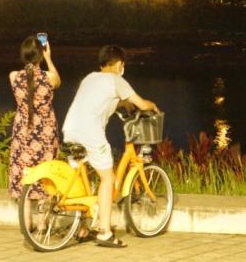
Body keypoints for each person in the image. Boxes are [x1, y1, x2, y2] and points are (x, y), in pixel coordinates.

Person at [61, 45, 159, 249]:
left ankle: (82, 227)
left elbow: (102, 102)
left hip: (70, 129)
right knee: (108, 178)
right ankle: (105, 232)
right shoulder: (117, 80)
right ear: (120, 64)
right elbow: (141, 104)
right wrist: (152, 106)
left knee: (84, 174)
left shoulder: (89, 78)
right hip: (90, 134)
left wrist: (123, 105)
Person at [8, 35, 61, 232]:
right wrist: (49, 58)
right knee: (45, 173)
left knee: (25, 172)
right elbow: (58, 80)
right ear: (40, 55)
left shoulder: (14, 76)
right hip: (46, 132)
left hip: (23, 131)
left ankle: (26, 222)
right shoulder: (49, 78)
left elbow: (25, 78)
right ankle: (41, 223)